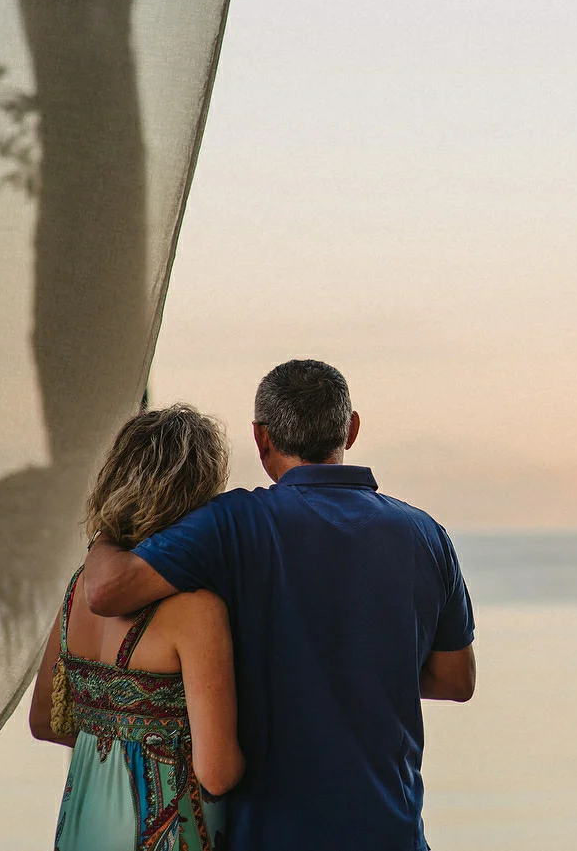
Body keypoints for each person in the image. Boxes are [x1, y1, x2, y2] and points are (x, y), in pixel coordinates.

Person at [80, 359, 476, 850]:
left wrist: (105, 530)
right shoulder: (425, 535)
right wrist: (359, 667)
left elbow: (106, 592)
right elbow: (457, 680)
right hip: (391, 832)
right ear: (350, 429)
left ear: (260, 438)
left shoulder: (232, 525)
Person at [27, 404, 243, 851]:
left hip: (84, 825)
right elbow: (217, 772)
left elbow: (45, 722)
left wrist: (111, 744)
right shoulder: (195, 610)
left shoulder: (81, 588)